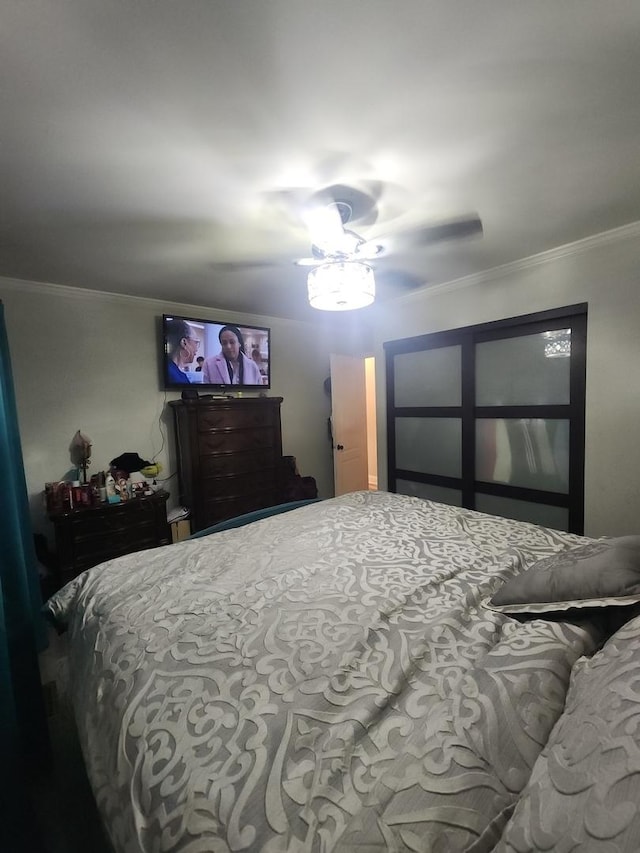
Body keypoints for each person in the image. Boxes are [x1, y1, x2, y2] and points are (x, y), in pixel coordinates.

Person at [165, 318, 200, 383]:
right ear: (184, 342)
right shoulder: (176, 377)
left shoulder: (169, 370)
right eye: (196, 342)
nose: (197, 349)